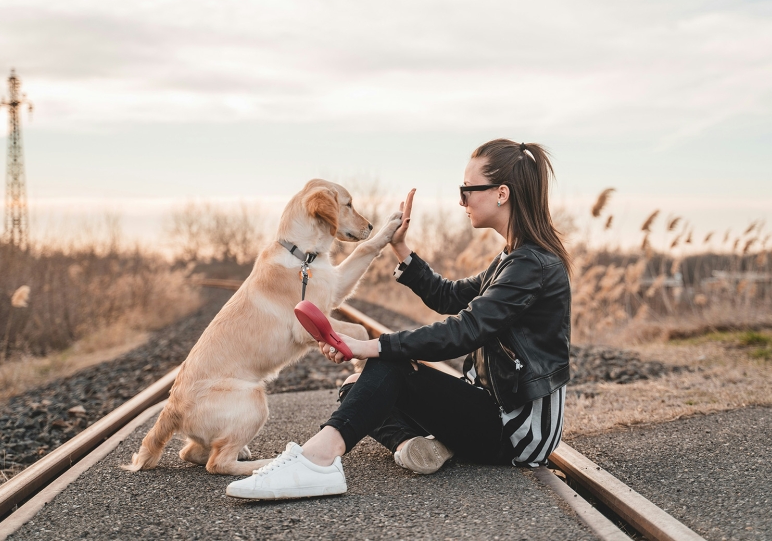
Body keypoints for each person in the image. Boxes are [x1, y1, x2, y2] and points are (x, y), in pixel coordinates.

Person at [226, 139, 572, 500]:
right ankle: (414, 446)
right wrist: (400, 247)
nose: (461, 200)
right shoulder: (513, 258)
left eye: (466, 190)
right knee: (356, 387)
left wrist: (373, 345)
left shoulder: (531, 265)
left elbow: (465, 330)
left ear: (501, 193)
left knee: (386, 369)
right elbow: (449, 296)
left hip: (517, 430)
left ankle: (317, 461)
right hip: (491, 408)